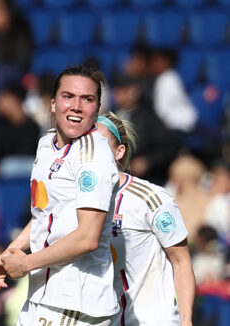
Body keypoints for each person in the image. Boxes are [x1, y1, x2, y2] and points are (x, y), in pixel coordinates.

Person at [0, 66, 120, 325]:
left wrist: (27, 264)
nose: (77, 106)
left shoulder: (93, 157)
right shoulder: (46, 144)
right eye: (68, 96)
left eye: (88, 99)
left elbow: (88, 238)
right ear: (53, 103)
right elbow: (44, 214)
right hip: (43, 295)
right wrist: (9, 254)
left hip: (77, 303)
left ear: (98, 108)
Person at [96, 112, 195, 326]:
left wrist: (186, 321)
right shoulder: (78, 202)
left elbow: (181, 261)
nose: (92, 151)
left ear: (119, 151)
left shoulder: (151, 199)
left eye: (100, 143)